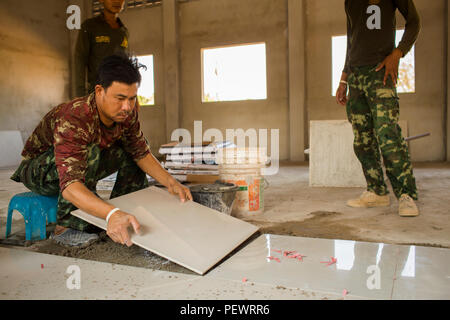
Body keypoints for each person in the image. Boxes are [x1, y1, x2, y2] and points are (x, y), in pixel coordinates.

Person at [11, 54, 192, 248]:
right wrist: (110, 214)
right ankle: (66, 227)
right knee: (91, 151)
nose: (127, 106)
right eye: (120, 98)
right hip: (40, 172)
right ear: (99, 91)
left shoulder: (126, 113)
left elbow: (140, 153)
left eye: (132, 99)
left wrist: (171, 182)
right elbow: (70, 186)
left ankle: (127, 210)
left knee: (130, 151)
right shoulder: (75, 117)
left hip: (78, 167)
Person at [335, 0, 421, 217]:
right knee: (362, 140)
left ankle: (406, 195)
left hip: (381, 71)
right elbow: (351, 39)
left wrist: (398, 53)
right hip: (356, 75)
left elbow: (414, 21)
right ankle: (376, 191)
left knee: (387, 134)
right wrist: (344, 78)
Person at [74, 0, 129, 98]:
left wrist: (132, 95)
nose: (117, 1)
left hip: (119, 94)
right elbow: (80, 61)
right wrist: (80, 97)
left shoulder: (123, 32)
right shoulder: (89, 27)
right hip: (98, 93)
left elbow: (126, 66)